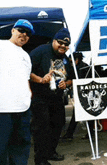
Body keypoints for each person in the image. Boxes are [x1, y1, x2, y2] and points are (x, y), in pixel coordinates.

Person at [0, 19, 34, 165]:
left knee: (21, 149)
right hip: (1, 109)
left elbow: (26, 79)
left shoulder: (26, 56)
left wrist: (28, 96)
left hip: (23, 110)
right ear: (13, 30)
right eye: (21, 30)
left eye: (28, 33)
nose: (24, 35)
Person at [29, 28, 74, 165]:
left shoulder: (64, 58)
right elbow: (25, 71)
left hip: (56, 98)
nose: (63, 46)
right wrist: (41, 79)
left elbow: (72, 78)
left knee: (58, 124)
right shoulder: (41, 51)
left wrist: (65, 84)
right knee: (42, 128)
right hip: (39, 97)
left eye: (66, 45)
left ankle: (50, 152)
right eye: (60, 42)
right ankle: (40, 159)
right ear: (54, 41)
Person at [62, 52, 94, 141]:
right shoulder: (85, 66)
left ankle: (69, 134)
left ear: (76, 60)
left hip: (82, 93)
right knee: (87, 113)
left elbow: (76, 80)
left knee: (77, 114)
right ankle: (89, 134)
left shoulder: (79, 68)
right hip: (88, 93)